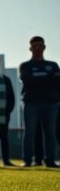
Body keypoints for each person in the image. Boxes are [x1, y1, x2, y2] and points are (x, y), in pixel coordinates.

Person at [19, 36, 60, 168]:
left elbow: (57, 82)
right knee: (29, 132)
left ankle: (50, 160)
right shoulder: (25, 66)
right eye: (34, 46)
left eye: (40, 46)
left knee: (50, 133)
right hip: (31, 103)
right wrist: (48, 80)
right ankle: (27, 160)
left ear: (44, 47)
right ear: (30, 48)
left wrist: (39, 81)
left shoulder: (53, 65)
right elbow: (28, 80)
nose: (37, 49)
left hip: (50, 103)